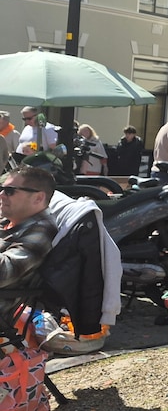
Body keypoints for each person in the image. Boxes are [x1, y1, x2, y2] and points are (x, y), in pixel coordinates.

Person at [0, 165, 59, 410]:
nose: (2, 195)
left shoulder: (40, 229)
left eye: (10, 190)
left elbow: (4, 273)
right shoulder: (10, 221)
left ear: (38, 197)